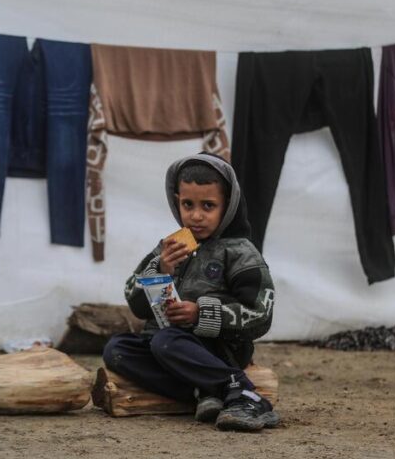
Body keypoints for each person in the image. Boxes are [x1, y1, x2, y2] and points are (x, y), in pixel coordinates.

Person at [102, 153, 279, 432]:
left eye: (208, 206)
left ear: (228, 205)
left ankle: (244, 392)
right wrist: (161, 269)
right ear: (176, 201)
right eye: (188, 204)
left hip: (220, 349)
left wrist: (200, 314)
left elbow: (260, 315)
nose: (196, 215)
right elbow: (135, 301)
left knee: (166, 341)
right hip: (168, 346)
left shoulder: (241, 253)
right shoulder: (171, 247)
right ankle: (206, 392)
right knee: (117, 350)